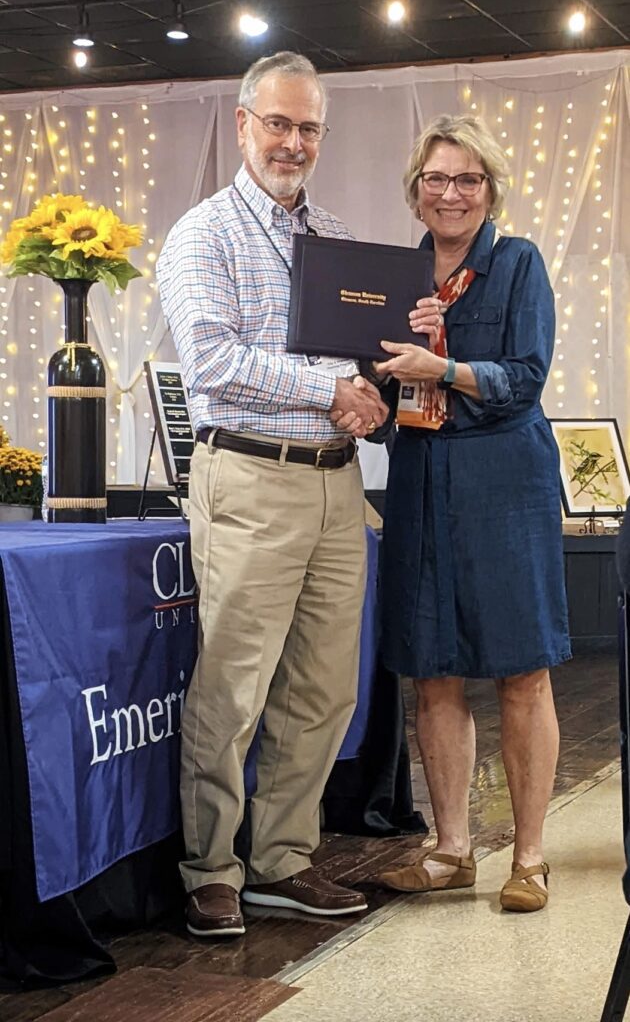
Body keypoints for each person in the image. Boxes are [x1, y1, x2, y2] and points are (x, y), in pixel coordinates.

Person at [156, 51, 388, 939]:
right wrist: (331, 389)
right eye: (278, 123)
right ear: (245, 121)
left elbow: (353, 360)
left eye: (309, 128)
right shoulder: (201, 234)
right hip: (249, 476)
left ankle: (283, 862)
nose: (293, 141)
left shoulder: (333, 239)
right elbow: (211, 361)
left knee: (322, 692)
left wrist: (380, 375)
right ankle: (211, 869)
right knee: (234, 689)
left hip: (337, 487)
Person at [373, 114, 571, 912]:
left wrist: (442, 366)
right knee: (433, 671)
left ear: (490, 189)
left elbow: (524, 377)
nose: (450, 194)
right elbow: (381, 378)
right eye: (435, 180)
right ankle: (452, 849)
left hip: (505, 483)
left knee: (523, 670)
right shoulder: (391, 275)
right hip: (420, 478)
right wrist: (368, 396)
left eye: (467, 180)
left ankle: (529, 858)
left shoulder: (517, 263)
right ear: (416, 192)